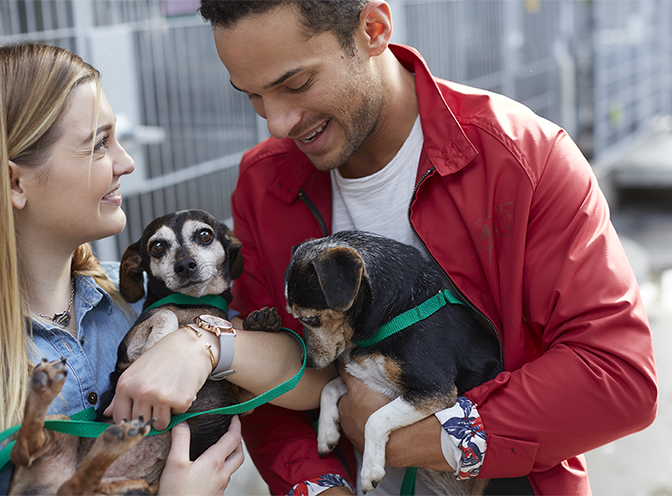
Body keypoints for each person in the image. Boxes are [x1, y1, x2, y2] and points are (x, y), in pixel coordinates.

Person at [195, 1, 659, 495]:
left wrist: (415, 437)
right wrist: (321, 487)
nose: (278, 123)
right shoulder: (262, 183)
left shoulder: (525, 159)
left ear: (373, 29)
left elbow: (617, 376)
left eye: (296, 84)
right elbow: (272, 390)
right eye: (252, 96)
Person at [0, 42, 247, 495]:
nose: (126, 162)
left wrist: (204, 343)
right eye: (98, 145)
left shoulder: (127, 294)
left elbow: (298, 369)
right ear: (17, 182)